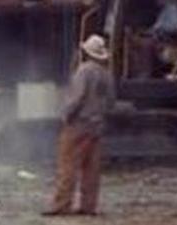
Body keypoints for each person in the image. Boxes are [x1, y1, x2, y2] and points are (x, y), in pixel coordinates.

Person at [43, 34, 116, 217]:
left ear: (86, 52)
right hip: (97, 126)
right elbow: (111, 101)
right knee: (91, 169)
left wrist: (65, 115)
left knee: (68, 165)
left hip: (79, 124)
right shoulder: (107, 74)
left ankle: (61, 205)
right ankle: (88, 206)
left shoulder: (84, 71)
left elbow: (77, 97)